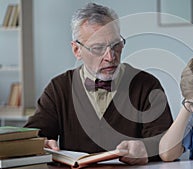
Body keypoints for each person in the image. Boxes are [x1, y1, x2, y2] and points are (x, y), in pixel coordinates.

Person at [24, 3, 173, 165]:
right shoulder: (58, 88)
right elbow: (32, 137)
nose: (110, 56)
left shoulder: (147, 85)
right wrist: (41, 144)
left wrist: (146, 148)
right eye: (98, 48)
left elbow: (168, 142)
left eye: (116, 45)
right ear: (76, 50)